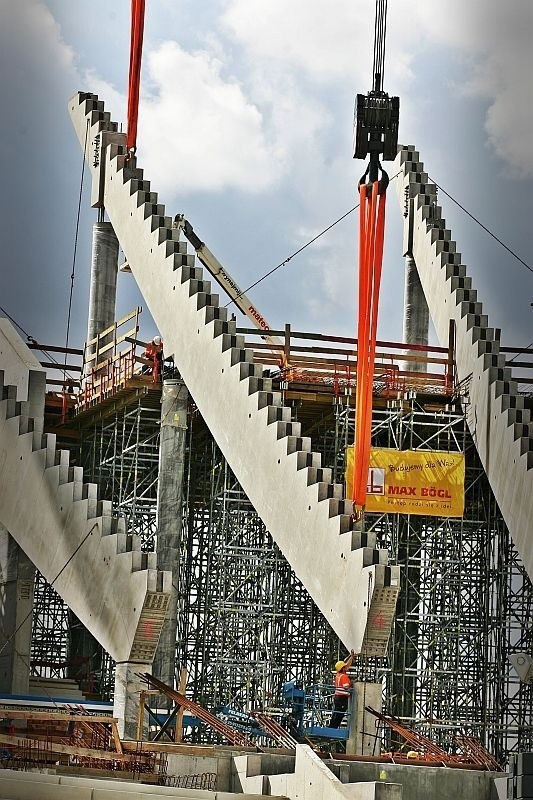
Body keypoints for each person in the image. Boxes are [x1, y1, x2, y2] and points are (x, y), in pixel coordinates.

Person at [328, 649, 355, 728]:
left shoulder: (338, 674)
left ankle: (331, 728)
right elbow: (346, 687)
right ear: (342, 668)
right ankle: (333, 729)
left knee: (335, 714)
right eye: (344, 667)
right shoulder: (344, 677)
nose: (346, 667)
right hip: (342, 698)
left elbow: (347, 665)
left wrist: (351, 656)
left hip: (337, 697)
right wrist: (352, 683)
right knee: (339, 715)